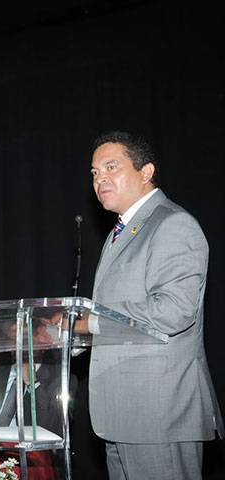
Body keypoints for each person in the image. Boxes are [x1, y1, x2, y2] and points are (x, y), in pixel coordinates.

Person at [83, 131, 223, 479]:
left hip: (159, 415)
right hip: (119, 415)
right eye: (95, 173)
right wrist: (66, 333)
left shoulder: (173, 223)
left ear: (146, 171)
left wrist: (90, 322)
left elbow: (174, 312)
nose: (100, 179)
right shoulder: (119, 234)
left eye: (111, 167)